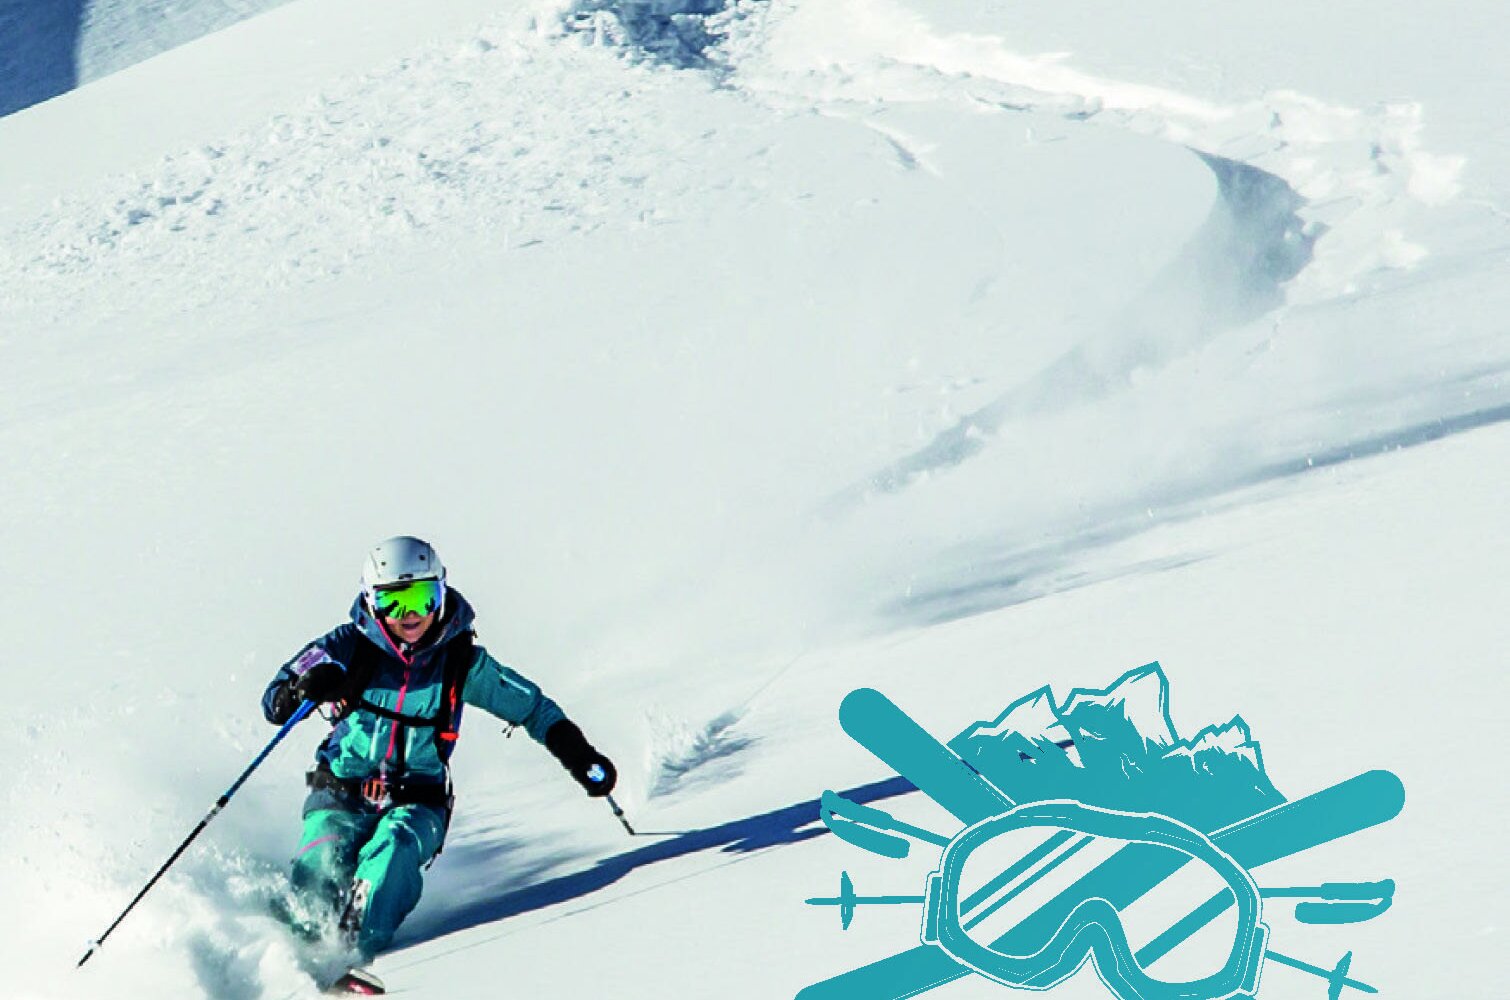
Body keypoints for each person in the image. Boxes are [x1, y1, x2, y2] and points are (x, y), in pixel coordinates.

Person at [262, 536, 615, 986]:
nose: (410, 614)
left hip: (417, 801)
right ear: (371, 602)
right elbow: (275, 699)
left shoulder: (460, 662)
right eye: (393, 601)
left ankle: (344, 960)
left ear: (442, 593)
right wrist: (304, 687)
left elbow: (531, 707)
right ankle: (285, 962)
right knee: (321, 865)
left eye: (423, 597)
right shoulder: (348, 646)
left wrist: (579, 756)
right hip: (340, 794)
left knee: (392, 852)